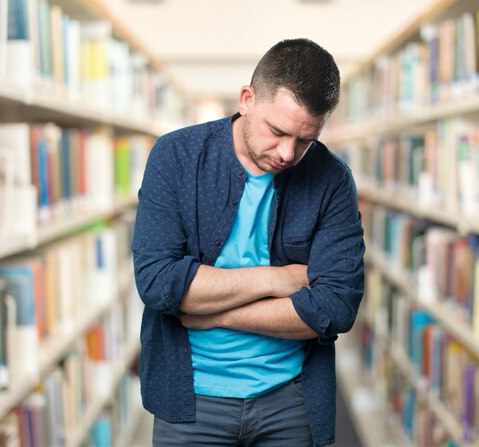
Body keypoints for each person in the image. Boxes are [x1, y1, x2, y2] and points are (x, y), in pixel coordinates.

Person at [132, 38, 365, 447]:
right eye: (277, 131)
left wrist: (216, 314)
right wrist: (279, 280)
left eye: (305, 140)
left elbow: (335, 308)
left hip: (291, 398)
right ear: (247, 99)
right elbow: (158, 283)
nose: (287, 153)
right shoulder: (176, 157)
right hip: (191, 399)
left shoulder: (332, 179)